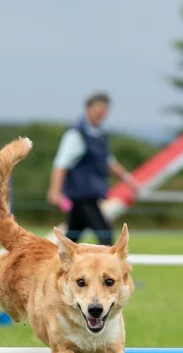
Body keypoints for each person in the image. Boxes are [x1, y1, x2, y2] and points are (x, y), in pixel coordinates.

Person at [46, 91, 139, 246]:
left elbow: (108, 162)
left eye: (104, 110)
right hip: (82, 196)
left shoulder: (99, 135)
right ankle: (108, 267)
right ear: (88, 109)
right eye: (98, 109)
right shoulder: (76, 134)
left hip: (91, 195)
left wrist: (128, 179)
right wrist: (54, 192)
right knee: (104, 232)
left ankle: (59, 266)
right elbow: (60, 164)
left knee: (72, 236)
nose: (101, 113)